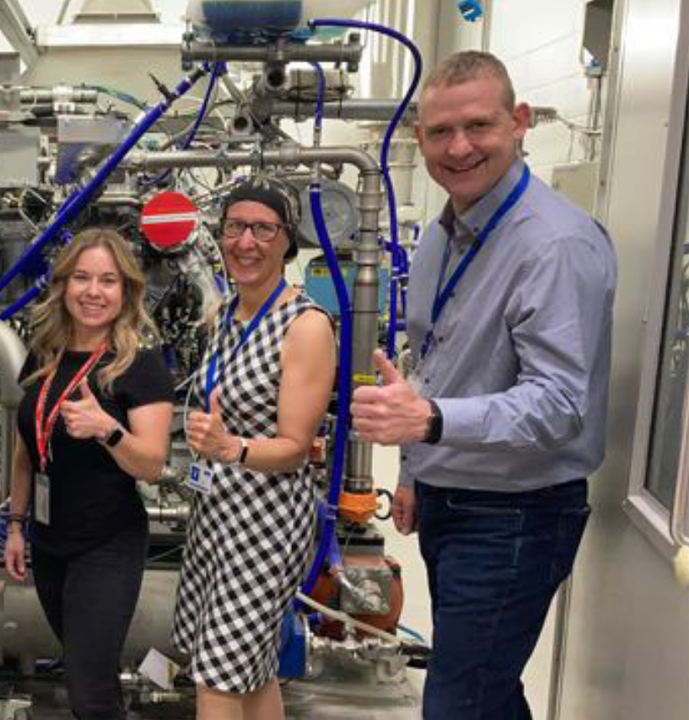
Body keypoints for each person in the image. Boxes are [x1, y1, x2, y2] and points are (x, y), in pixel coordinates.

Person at [350, 50, 616, 720]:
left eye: (478, 126)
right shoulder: (445, 233)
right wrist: (416, 470)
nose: (459, 147)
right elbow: (436, 361)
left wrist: (431, 424)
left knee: (458, 703)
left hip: (517, 515)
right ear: (420, 139)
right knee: (485, 690)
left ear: (519, 121)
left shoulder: (554, 245)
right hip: (454, 500)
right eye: (440, 132)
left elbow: (559, 405)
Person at [171, 179, 336, 720]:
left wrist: (229, 447)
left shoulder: (306, 326)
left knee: (217, 677)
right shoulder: (224, 317)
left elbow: (294, 448)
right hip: (216, 515)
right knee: (251, 672)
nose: (246, 241)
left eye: (263, 229)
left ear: (287, 242)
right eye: (235, 227)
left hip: (264, 526)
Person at [2, 228, 175, 720]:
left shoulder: (139, 368)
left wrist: (108, 430)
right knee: (84, 675)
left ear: (126, 292)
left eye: (107, 280)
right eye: (81, 278)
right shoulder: (44, 355)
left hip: (107, 544)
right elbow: (25, 448)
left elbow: (152, 463)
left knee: (89, 692)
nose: (93, 292)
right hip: (50, 542)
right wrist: (15, 525)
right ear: (63, 285)